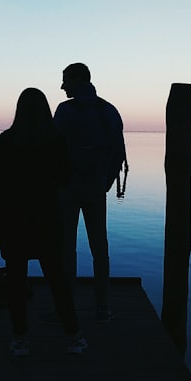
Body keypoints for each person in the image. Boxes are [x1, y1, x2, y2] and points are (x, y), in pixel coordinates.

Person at [0, 88, 87, 356]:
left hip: (13, 219)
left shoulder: (6, 142)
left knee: (16, 281)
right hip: (46, 217)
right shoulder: (56, 141)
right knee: (57, 278)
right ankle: (74, 336)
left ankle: (20, 338)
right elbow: (65, 177)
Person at [53, 62, 126, 323]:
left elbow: (54, 151)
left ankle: (67, 307)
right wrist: (103, 182)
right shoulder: (108, 111)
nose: (62, 86)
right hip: (95, 188)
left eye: (65, 81)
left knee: (65, 248)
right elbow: (118, 153)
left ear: (79, 80)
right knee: (100, 248)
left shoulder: (64, 111)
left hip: (67, 189)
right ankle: (102, 307)